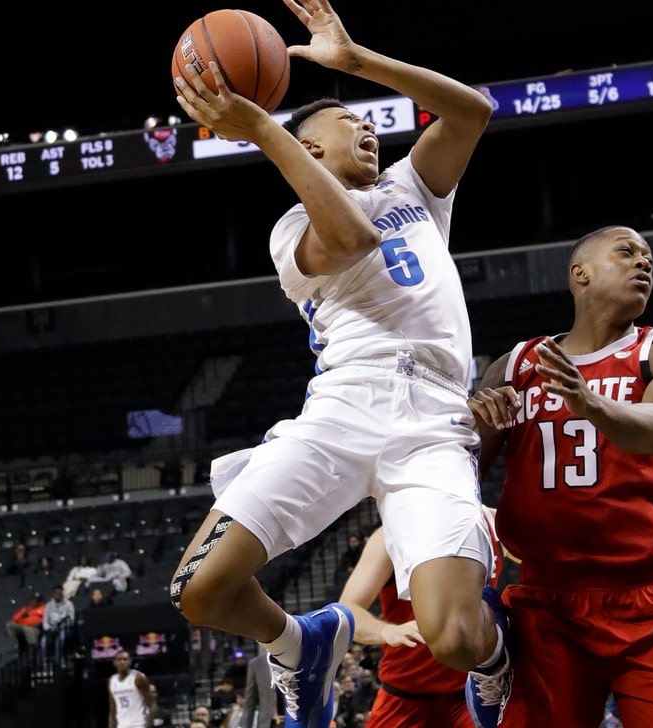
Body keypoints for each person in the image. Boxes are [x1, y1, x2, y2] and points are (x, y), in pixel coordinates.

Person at [167, 2, 501, 727]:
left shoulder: (413, 191)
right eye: (349, 123)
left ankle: (498, 656)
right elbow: (350, 239)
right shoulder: (291, 232)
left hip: (433, 424)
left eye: (370, 122)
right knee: (199, 589)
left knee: (453, 640)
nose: (370, 127)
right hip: (342, 410)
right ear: (307, 152)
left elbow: (472, 111)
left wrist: (357, 63)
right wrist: (260, 127)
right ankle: (299, 642)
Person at [466, 226, 653, 727]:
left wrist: (588, 402)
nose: (643, 263)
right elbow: (459, 475)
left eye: (648, 257)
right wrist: (475, 426)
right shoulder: (517, 365)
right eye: (626, 252)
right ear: (579, 274)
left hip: (648, 599)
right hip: (546, 606)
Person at [338, 524, 499, 727]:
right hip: (404, 696)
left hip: (473, 692)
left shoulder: (491, 521)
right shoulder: (392, 534)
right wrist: (386, 630)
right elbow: (347, 609)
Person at [107, 650, 156, 728]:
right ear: (114, 663)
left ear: (130, 662)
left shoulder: (138, 677)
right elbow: (112, 709)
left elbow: (152, 704)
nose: (122, 662)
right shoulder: (112, 680)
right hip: (122, 725)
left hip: (138, 724)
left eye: (125, 659)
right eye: (119, 660)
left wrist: (148, 724)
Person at [242, 651, 281, 728]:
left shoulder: (293, 659)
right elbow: (250, 701)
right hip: (267, 722)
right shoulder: (256, 664)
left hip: (292, 721)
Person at [41, 585, 75, 669]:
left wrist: (62, 625)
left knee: (61, 639)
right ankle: (44, 663)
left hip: (64, 628)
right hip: (51, 629)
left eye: (59, 593)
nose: (57, 595)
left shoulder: (68, 604)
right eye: (55, 593)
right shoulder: (49, 605)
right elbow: (45, 621)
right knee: (43, 642)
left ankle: (59, 661)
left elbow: (71, 619)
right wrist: (49, 629)